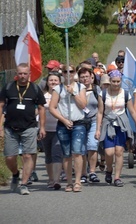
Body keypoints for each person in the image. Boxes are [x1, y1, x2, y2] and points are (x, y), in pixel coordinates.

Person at [0, 63, 46, 195]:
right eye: (20, 73)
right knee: (9, 157)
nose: (22, 76)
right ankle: (15, 174)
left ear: (29, 74)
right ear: (16, 73)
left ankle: (24, 184)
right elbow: (1, 105)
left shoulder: (35, 89)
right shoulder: (8, 87)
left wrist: (42, 127)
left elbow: (42, 109)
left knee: (27, 155)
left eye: (25, 73)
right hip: (10, 127)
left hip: (29, 127)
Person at [97, 70, 136, 187]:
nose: (116, 84)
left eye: (118, 81)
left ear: (121, 81)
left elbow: (132, 111)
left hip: (121, 124)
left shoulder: (126, 94)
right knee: (109, 152)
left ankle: (117, 177)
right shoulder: (103, 94)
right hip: (108, 123)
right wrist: (98, 129)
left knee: (119, 151)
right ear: (110, 81)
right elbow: (100, 112)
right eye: (113, 81)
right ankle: (109, 170)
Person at [49, 65, 88, 193]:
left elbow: (83, 105)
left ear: (74, 73)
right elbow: (52, 107)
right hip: (63, 124)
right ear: (62, 73)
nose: (68, 74)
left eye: (71, 71)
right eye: (66, 72)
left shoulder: (80, 87)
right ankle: (69, 182)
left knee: (77, 152)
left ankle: (77, 181)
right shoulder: (57, 89)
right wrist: (64, 120)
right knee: (66, 154)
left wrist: (73, 93)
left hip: (78, 124)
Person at [78, 68, 103, 184]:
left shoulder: (96, 89)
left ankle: (92, 171)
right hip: (79, 121)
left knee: (92, 145)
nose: (84, 79)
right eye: (82, 77)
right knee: (82, 148)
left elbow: (100, 110)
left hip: (93, 120)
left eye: (86, 76)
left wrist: (98, 128)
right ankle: (83, 173)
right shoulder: (76, 90)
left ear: (91, 77)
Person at [41, 72, 63, 190]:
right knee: (48, 155)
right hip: (45, 129)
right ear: (47, 82)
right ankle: (50, 179)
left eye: (56, 80)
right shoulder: (42, 95)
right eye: (51, 80)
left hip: (58, 128)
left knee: (57, 154)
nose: (53, 82)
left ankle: (56, 180)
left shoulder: (62, 95)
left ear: (60, 82)